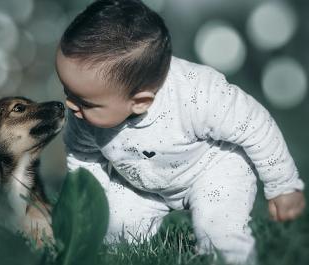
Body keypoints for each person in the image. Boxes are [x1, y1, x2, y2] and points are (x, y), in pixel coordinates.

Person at [55, 0, 306, 264]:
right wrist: (86, 210)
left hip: (212, 169)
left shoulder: (197, 95)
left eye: (85, 102)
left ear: (140, 101)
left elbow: (255, 126)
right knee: (112, 233)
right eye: (67, 92)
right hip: (140, 184)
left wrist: (282, 186)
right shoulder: (83, 117)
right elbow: (83, 159)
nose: (71, 106)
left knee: (219, 230)